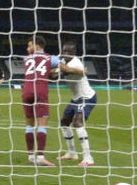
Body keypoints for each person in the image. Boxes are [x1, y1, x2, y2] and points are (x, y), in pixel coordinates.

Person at [56, 41, 97, 166]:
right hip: (76, 98)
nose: (65, 54)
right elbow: (55, 73)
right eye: (64, 51)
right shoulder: (64, 62)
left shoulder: (76, 63)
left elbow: (66, 71)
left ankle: (88, 157)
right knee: (64, 121)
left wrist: (55, 65)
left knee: (77, 123)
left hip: (87, 97)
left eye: (68, 52)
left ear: (74, 53)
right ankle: (72, 153)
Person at [22, 35, 60, 166]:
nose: (27, 49)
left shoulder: (25, 58)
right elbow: (61, 68)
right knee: (42, 124)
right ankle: (40, 157)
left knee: (29, 125)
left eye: (29, 46)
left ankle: (31, 156)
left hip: (26, 90)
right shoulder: (52, 58)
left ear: (37, 45)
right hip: (40, 90)